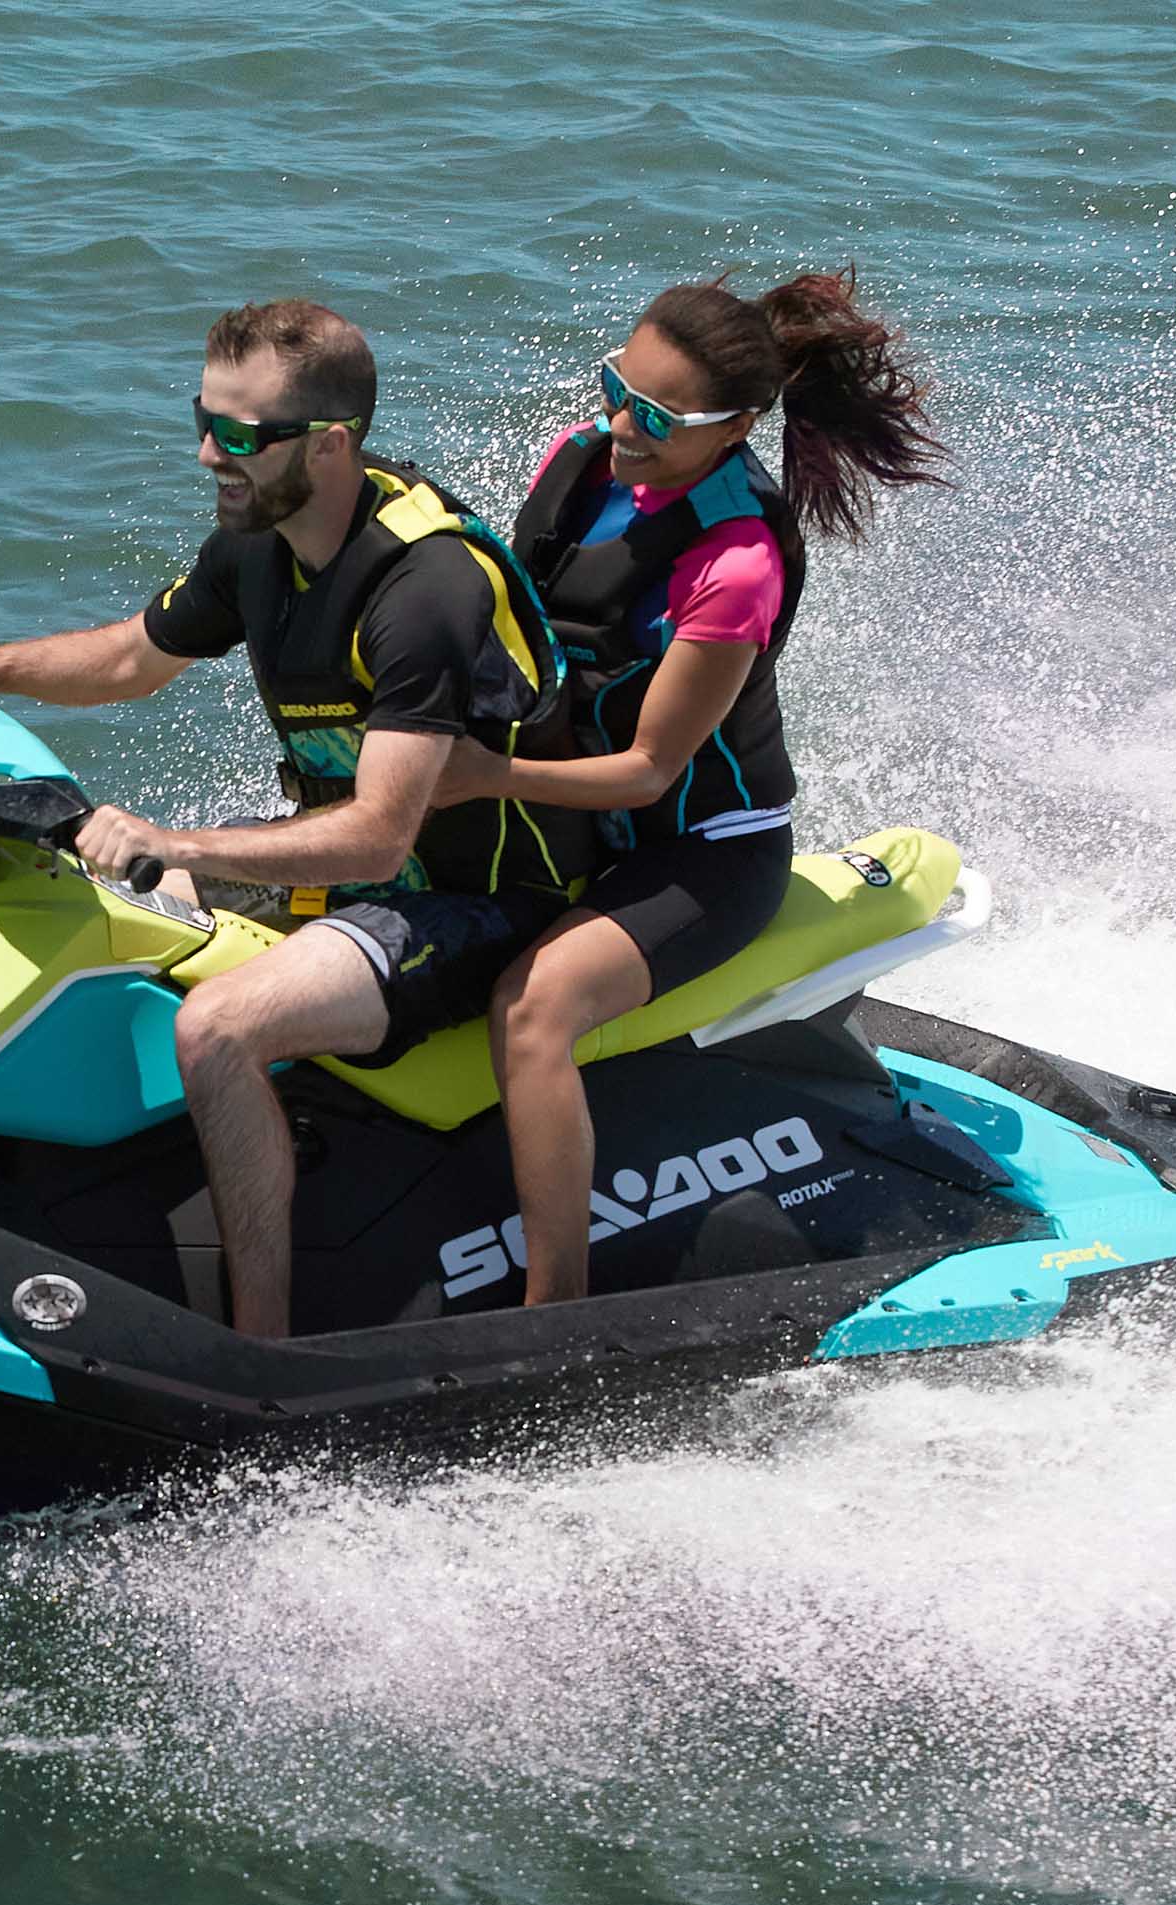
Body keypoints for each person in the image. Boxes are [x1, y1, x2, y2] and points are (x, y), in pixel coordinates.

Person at [0, 299, 584, 1339]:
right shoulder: (258, 541)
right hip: (362, 873)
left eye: (241, 435)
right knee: (113, 912)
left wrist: (177, 840)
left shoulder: (421, 590)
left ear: (330, 444)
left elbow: (383, 833)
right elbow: (129, 659)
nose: (210, 452)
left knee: (216, 1026)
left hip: (477, 903)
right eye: (201, 420)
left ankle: (260, 1345)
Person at [448, 271, 951, 1305]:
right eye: (613, 390)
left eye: (656, 418)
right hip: (555, 817)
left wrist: (478, 777)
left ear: (736, 428)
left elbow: (648, 770)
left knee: (531, 1010)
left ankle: (552, 1310)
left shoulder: (735, 560)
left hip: (701, 853)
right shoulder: (577, 461)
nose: (620, 427)